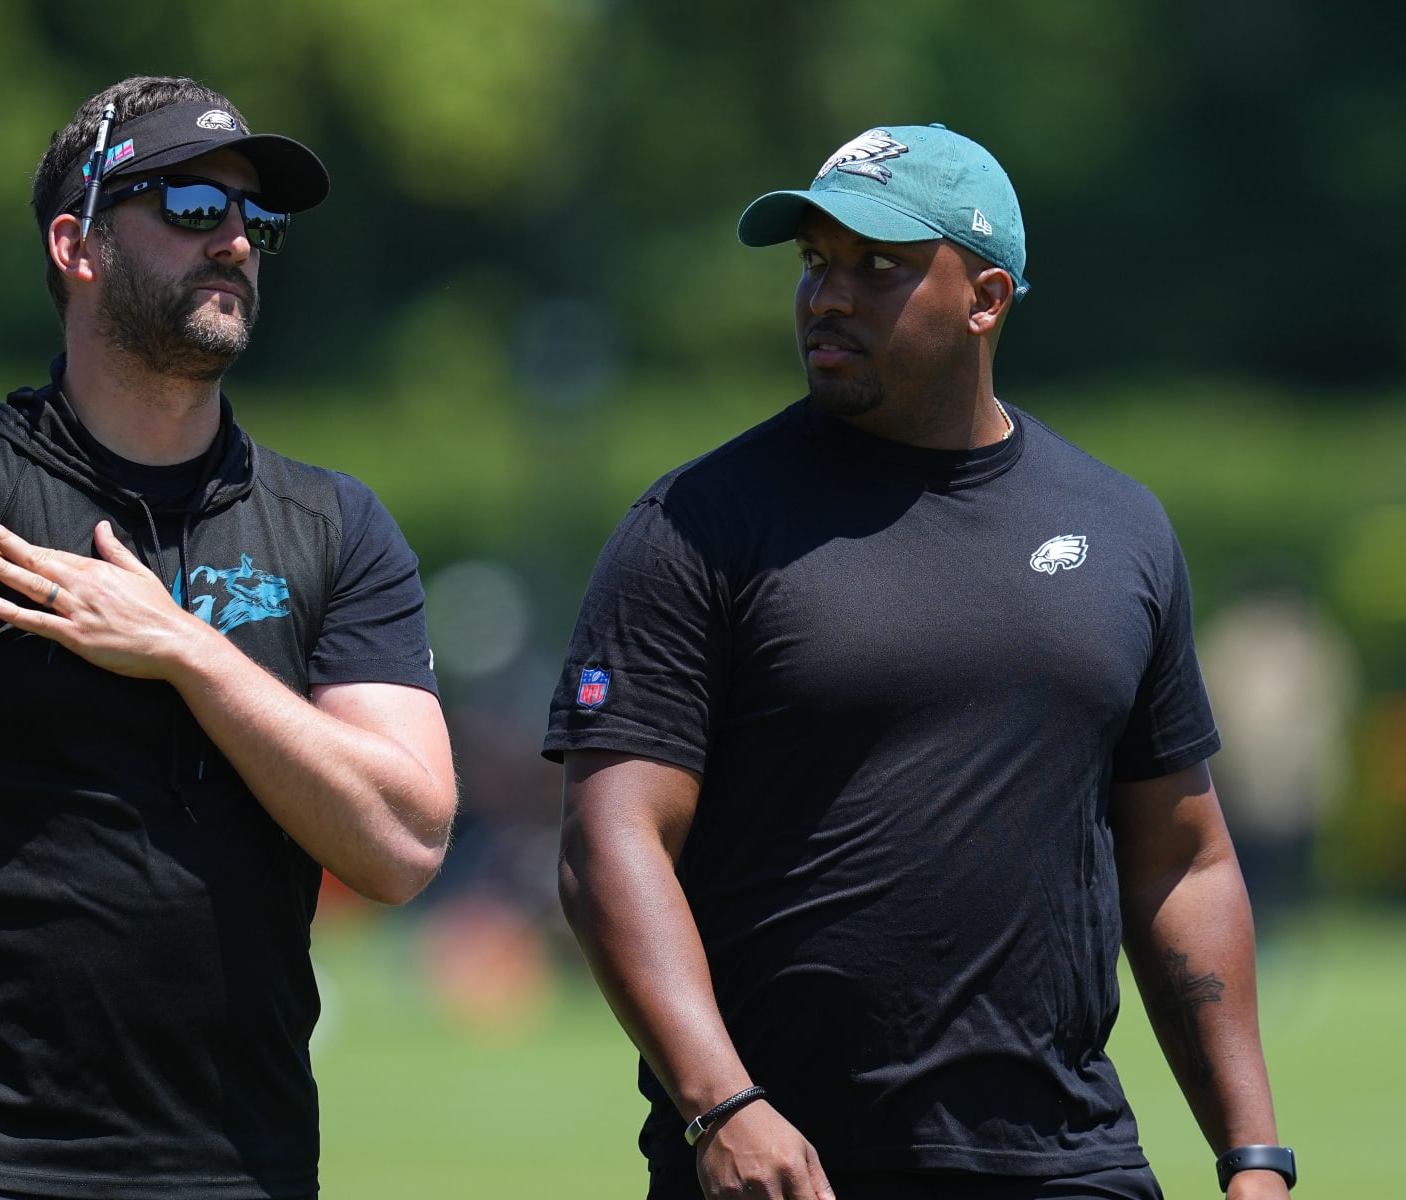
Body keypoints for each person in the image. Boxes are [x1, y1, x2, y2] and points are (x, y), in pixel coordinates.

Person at [545, 124, 1293, 1200]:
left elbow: (1181, 860)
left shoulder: (1122, 528)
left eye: (878, 266)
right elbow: (608, 842)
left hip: (1070, 1166)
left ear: (986, 298)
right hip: (781, 1169)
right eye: (815, 263)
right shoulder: (697, 525)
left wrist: (1254, 1156)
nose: (826, 296)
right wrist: (723, 1105)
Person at [0, 75, 457, 1200]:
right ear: (76, 244)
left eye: (255, 219)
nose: (234, 240)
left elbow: (403, 844)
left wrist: (188, 650)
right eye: (189, 207)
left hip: (250, 1169)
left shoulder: (335, 526)